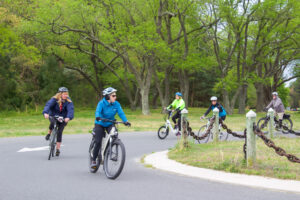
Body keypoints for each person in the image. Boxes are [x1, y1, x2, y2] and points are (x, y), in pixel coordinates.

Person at [91, 87, 131, 169]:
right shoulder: (101, 103)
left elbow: (121, 113)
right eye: (113, 95)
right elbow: (97, 111)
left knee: (114, 136)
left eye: (115, 95)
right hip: (100, 123)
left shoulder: (116, 104)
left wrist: (125, 121)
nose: (115, 97)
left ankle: (107, 151)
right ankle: (94, 160)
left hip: (110, 123)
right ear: (107, 96)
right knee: (98, 141)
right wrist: (98, 116)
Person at [42, 87, 74, 156]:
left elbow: (70, 110)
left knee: (60, 131)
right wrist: (45, 113)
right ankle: (49, 133)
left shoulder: (68, 101)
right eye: (64, 94)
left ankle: (57, 149)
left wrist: (68, 117)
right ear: (60, 94)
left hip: (64, 118)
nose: (66, 95)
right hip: (54, 115)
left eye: (66, 94)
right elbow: (48, 105)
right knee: (52, 122)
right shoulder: (54, 99)